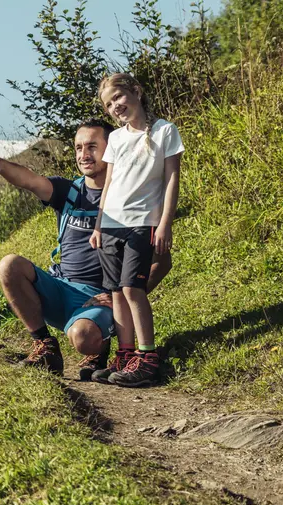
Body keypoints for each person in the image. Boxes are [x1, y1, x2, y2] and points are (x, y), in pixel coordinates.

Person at [0, 119, 172, 381]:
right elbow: (30, 180)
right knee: (9, 265)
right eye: (79, 148)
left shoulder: (130, 199)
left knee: (83, 337)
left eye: (92, 147)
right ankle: (45, 346)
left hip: (99, 298)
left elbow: (162, 261)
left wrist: (123, 297)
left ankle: (98, 348)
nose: (84, 155)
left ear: (113, 149)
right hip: (59, 287)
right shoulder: (68, 191)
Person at [88, 73, 183, 387]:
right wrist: (98, 225)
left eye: (118, 97)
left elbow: (171, 180)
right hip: (110, 225)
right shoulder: (115, 138)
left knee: (132, 288)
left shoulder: (165, 131)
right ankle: (125, 354)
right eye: (108, 104)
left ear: (136, 92)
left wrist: (165, 222)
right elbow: (109, 184)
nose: (115, 106)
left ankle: (147, 357)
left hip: (142, 223)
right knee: (116, 292)